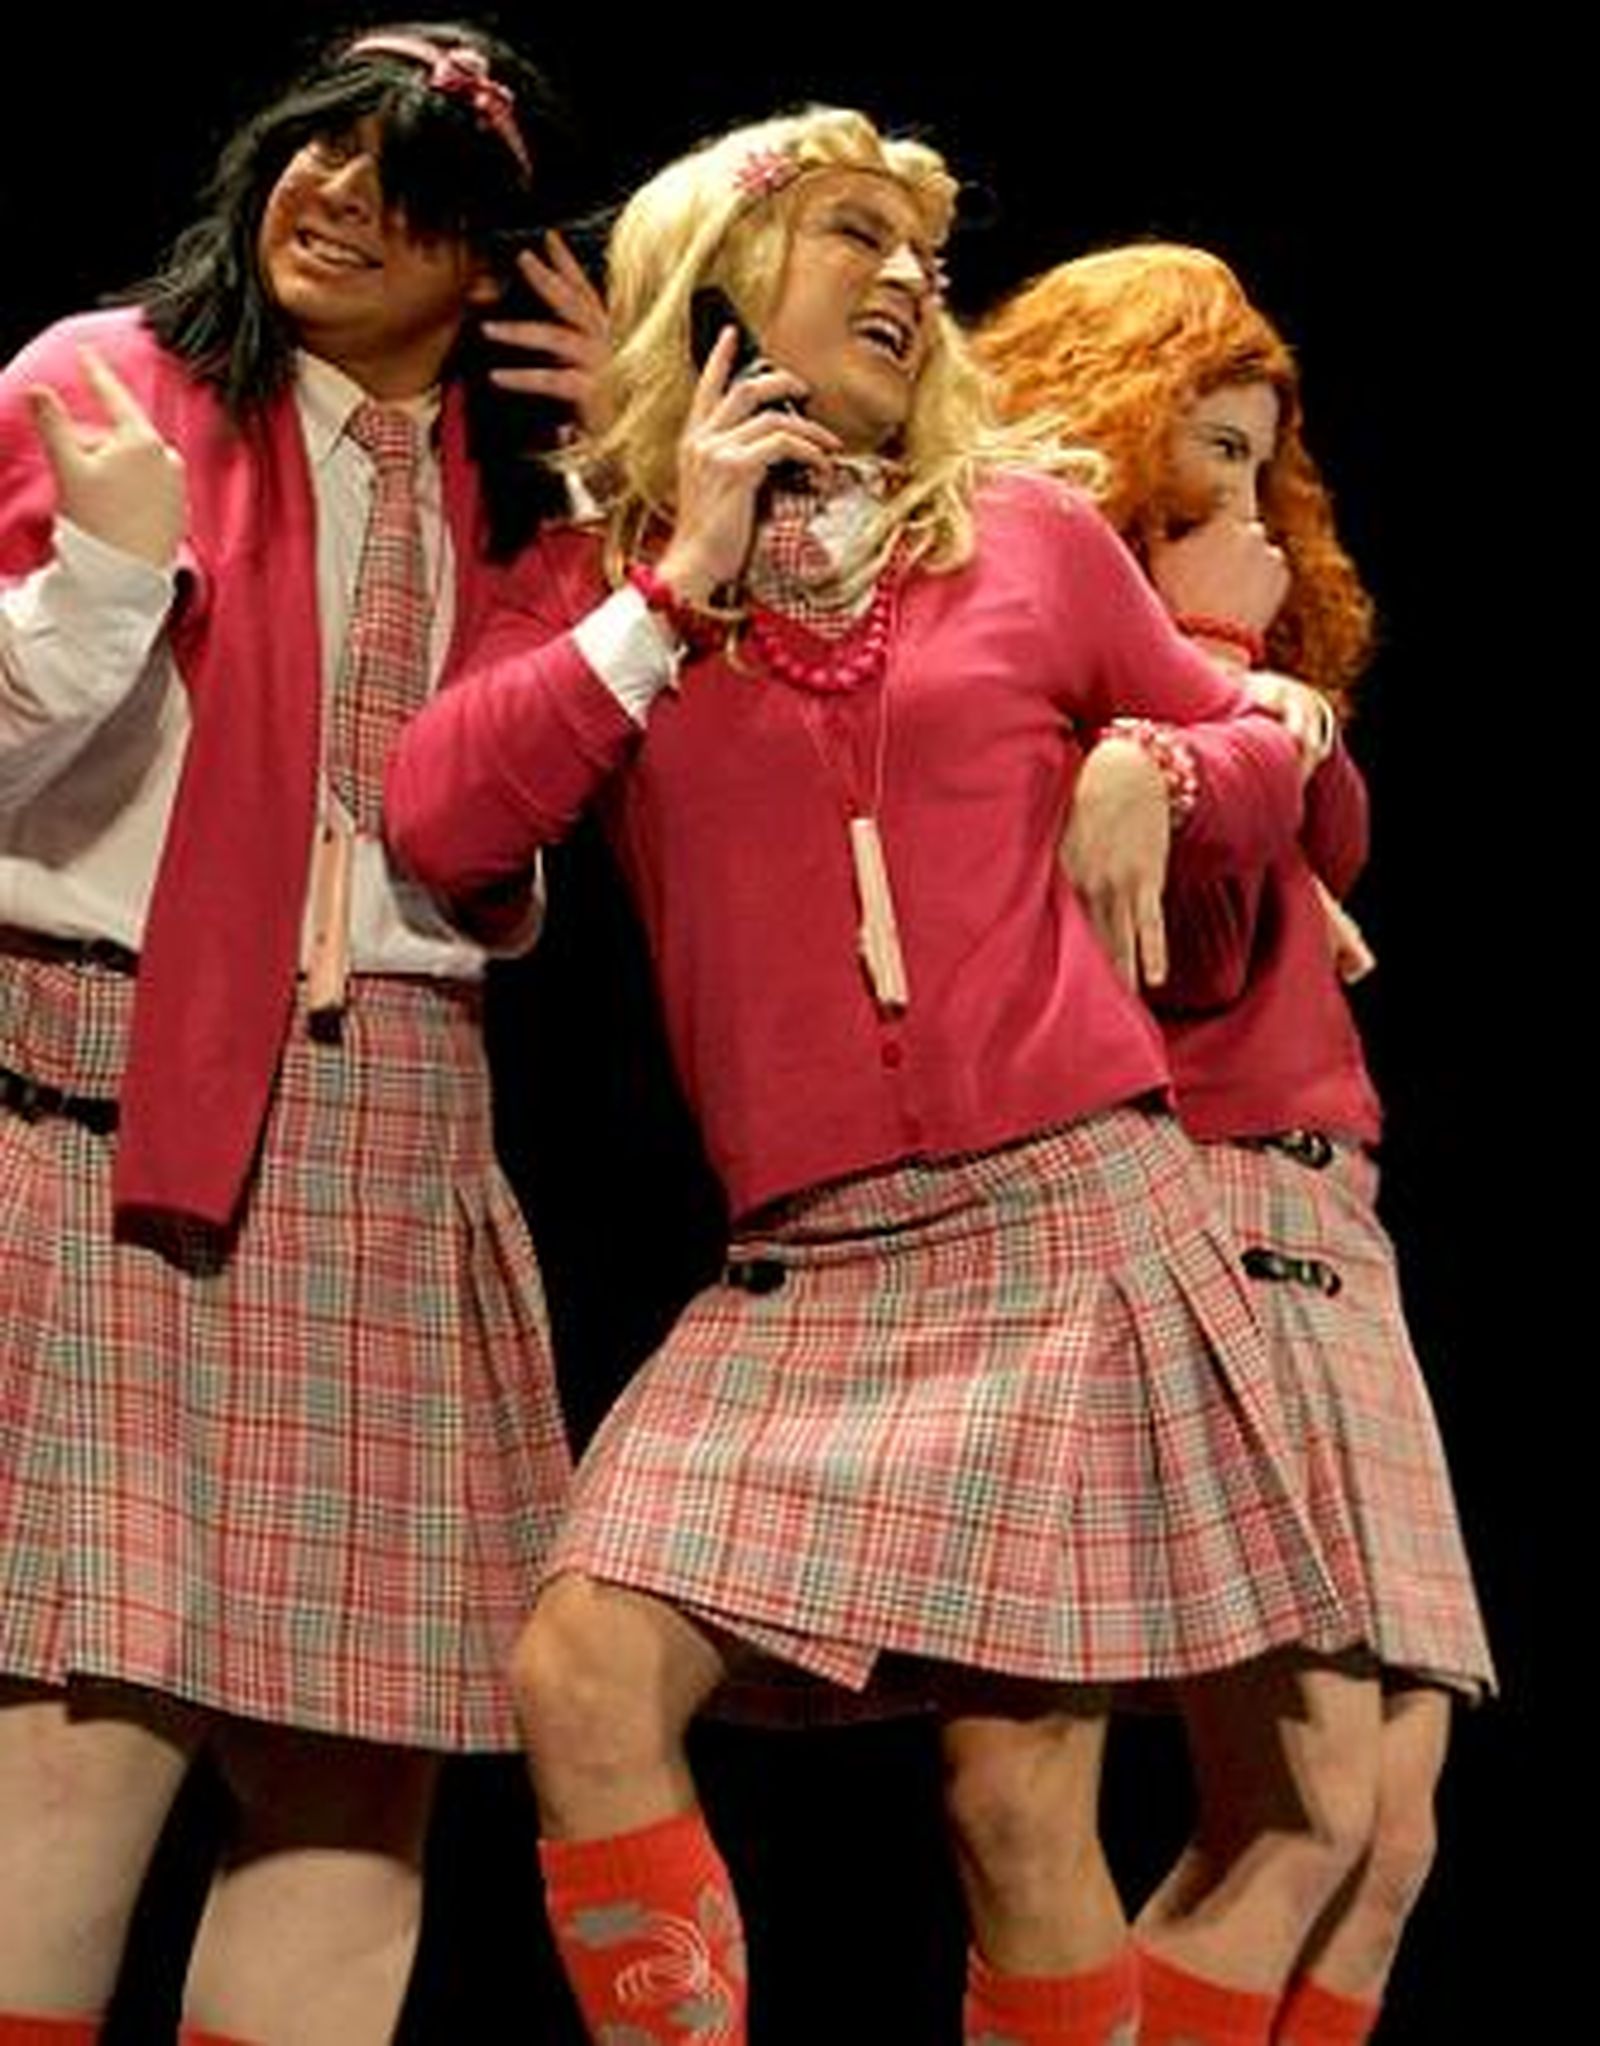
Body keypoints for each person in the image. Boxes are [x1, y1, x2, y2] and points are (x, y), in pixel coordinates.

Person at [385, 109, 1360, 2046]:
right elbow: (444, 818)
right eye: (853, 232)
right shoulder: (590, 577)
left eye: (921, 250)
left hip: (1065, 1218)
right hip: (805, 1264)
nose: (909, 273)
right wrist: (677, 579)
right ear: (720, 287)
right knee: (582, 1670)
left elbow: (1292, 790)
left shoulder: (1021, 534)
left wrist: (1163, 761)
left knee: (1015, 1799)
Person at [0, 22, 606, 2044]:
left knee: (356, 1775)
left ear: (489, 259)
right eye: (314, 151)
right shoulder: (104, 385)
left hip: (394, 1128)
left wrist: (635, 472)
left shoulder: (539, 495)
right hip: (104, 1091)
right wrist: (104, 571)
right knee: (77, 1738)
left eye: (400, 182)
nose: (333, 195)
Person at [972, 241, 1494, 2045]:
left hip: (1330, 1208)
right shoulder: (1050, 663)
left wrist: (1245, 683)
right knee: (1302, 1805)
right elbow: (1179, 949)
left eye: (1265, 459)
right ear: (1116, 436)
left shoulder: (1218, 694)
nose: (1250, 501)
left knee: (1392, 1827)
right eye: (1210, 448)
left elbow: (1325, 841)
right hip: (1206, 1197)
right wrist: (1213, 664)